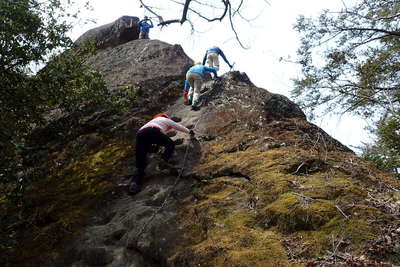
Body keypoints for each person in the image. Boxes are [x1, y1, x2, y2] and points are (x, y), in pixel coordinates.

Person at [129, 113, 195, 194]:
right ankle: (164, 161)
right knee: (170, 144)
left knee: (140, 164)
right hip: (153, 130)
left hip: (140, 135)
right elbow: (178, 126)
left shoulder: (152, 121)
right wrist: (189, 131)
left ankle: (134, 183)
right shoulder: (165, 119)